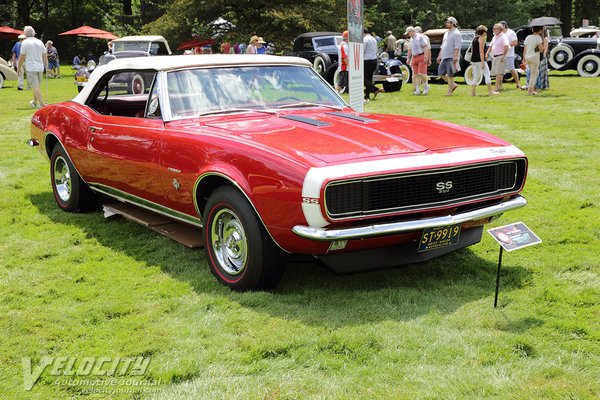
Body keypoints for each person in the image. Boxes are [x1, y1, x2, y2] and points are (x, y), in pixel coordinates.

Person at [17, 26, 47, 108]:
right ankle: (34, 102)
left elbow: (21, 57)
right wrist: (46, 66)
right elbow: (45, 55)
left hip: (31, 67)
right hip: (40, 67)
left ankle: (42, 104)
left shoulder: (25, 42)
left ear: (25, 34)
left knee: (35, 86)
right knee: (36, 86)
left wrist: (18, 67)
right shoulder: (40, 42)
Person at [469, 25, 498, 96]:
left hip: (474, 60)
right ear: (483, 32)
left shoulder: (475, 38)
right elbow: (481, 51)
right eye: (485, 31)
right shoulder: (482, 39)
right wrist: (482, 62)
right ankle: (490, 91)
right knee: (487, 75)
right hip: (479, 60)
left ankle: (473, 92)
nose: (486, 33)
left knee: (475, 76)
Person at [436, 17, 461, 96]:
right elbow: (443, 45)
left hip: (451, 56)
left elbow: (457, 47)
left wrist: (455, 57)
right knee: (440, 73)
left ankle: (449, 92)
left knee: (450, 75)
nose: (446, 23)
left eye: (448, 22)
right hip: (444, 56)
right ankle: (453, 85)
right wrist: (439, 55)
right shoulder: (446, 33)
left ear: (452, 23)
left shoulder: (457, 33)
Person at [405, 26, 430, 95]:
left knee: (421, 74)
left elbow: (425, 46)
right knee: (415, 75)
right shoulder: (411, 39)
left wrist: (426, 56)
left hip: (421, 56)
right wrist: (408, 58)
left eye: (408, 33)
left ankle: (426, 86)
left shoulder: (420, 37)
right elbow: (410, 49)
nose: (408, 34)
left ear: (412, 31)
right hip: (414, 57)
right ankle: (417, 90)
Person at [500, 21, 524, 89]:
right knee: (501, 70)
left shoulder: (511, 32)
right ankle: (499, 85)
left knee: (511, 69)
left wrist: (507, 45)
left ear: (504, 26)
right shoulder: (501, 33)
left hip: (509, 54)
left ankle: (518, 83)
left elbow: (515, 42)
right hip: (501, 54)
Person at [486, 23, 509, 92]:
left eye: (495, 28)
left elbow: (506, 46)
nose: (493, 30)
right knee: (498, 72)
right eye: (493, 28)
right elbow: (491, 46)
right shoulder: (495, 37)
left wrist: (503, 56)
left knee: (498, 72)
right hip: (495, 56)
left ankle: (496, 87)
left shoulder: (503, 36)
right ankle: (499, 86)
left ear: (500, 29)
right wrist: (487, 53)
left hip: (500, 56)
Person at [523, 26, 545, 95]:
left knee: (535, 72)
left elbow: (525, 49)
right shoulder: (538, 37)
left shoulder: (528, 37)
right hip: (534, 57)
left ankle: (531, 90)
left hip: (527, 56)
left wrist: (524, 58)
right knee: (534, 74)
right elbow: (541, 49)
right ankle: (530, 91)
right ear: (540, 30)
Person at [363, 28, 383, 101]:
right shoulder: (373, 39)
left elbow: (362, 50)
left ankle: (375, 89)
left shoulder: (365, 39)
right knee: (369, 78)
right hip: (374, 59)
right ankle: (367, 96)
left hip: (367, 60)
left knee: (363, 78)